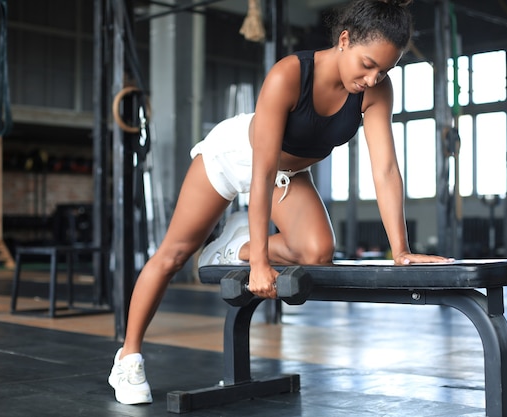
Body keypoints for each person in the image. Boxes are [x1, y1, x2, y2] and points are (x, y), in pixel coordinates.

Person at [108, 0, 453, 405]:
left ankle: (235, 247)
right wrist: (258, 266)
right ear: (344, 40)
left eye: (385, 70)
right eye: (367, 63)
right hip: (237, 156)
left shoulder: (375, 91)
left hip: (287, 175)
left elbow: (386, 169)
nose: (372, 76)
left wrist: (401, 250)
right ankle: (127, 356)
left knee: (317, 252)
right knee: (174, 254)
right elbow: (261, 172)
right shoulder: (290, 73)